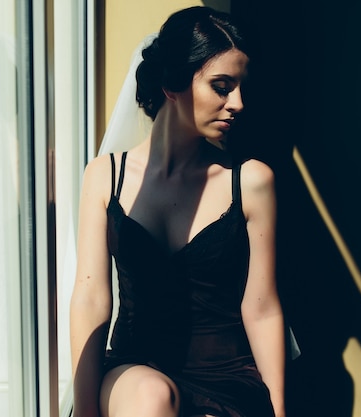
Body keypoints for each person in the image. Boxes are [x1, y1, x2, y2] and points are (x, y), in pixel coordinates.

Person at [70, 6, 285, 417]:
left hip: (226, 376)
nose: (237, 103)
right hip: (135, 372)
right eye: (222, 86)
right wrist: (84, 410)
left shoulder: (250, 181)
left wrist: (278, 411)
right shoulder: (105, 177)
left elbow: (262, 307)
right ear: (172, 84)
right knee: (151, 398)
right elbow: (91, 299)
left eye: (242, 87)